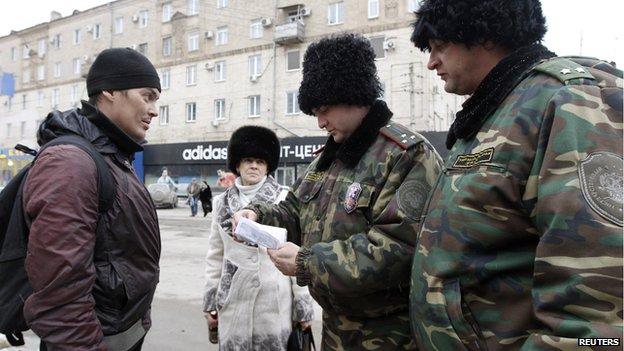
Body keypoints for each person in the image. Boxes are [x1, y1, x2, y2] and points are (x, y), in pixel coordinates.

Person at [409, 0, 623, 350]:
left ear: (483, 35)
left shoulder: (570, 99)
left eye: (439, 47)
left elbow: (597, 313)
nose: (431, 62)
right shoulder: (498, 109)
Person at [233, 34, 442, 350]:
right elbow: (296, 209)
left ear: (353, 94)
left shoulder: (408, 156)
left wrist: (308, 263)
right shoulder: (328, 157)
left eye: (324, 109)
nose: (319, 122)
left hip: (390, 337)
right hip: (334, 330)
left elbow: (400, 251)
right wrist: (258, 215)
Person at [21, 48, 162, 350]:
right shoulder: (71, 162)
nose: (154, 110)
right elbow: (60, 292)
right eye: (147, 96)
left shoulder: (113, 156)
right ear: (110, 91)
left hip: (122, 333)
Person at [203, 126, 315, 350]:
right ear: (237, 164)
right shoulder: (220, 203)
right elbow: (216, 255)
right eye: (248, 160)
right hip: (233, 301)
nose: (254, 166)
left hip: (273, 304)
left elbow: (297, 251)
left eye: (261, 161)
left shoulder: (284, 200)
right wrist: (210, 299)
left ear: (268, 166)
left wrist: (303, 305)